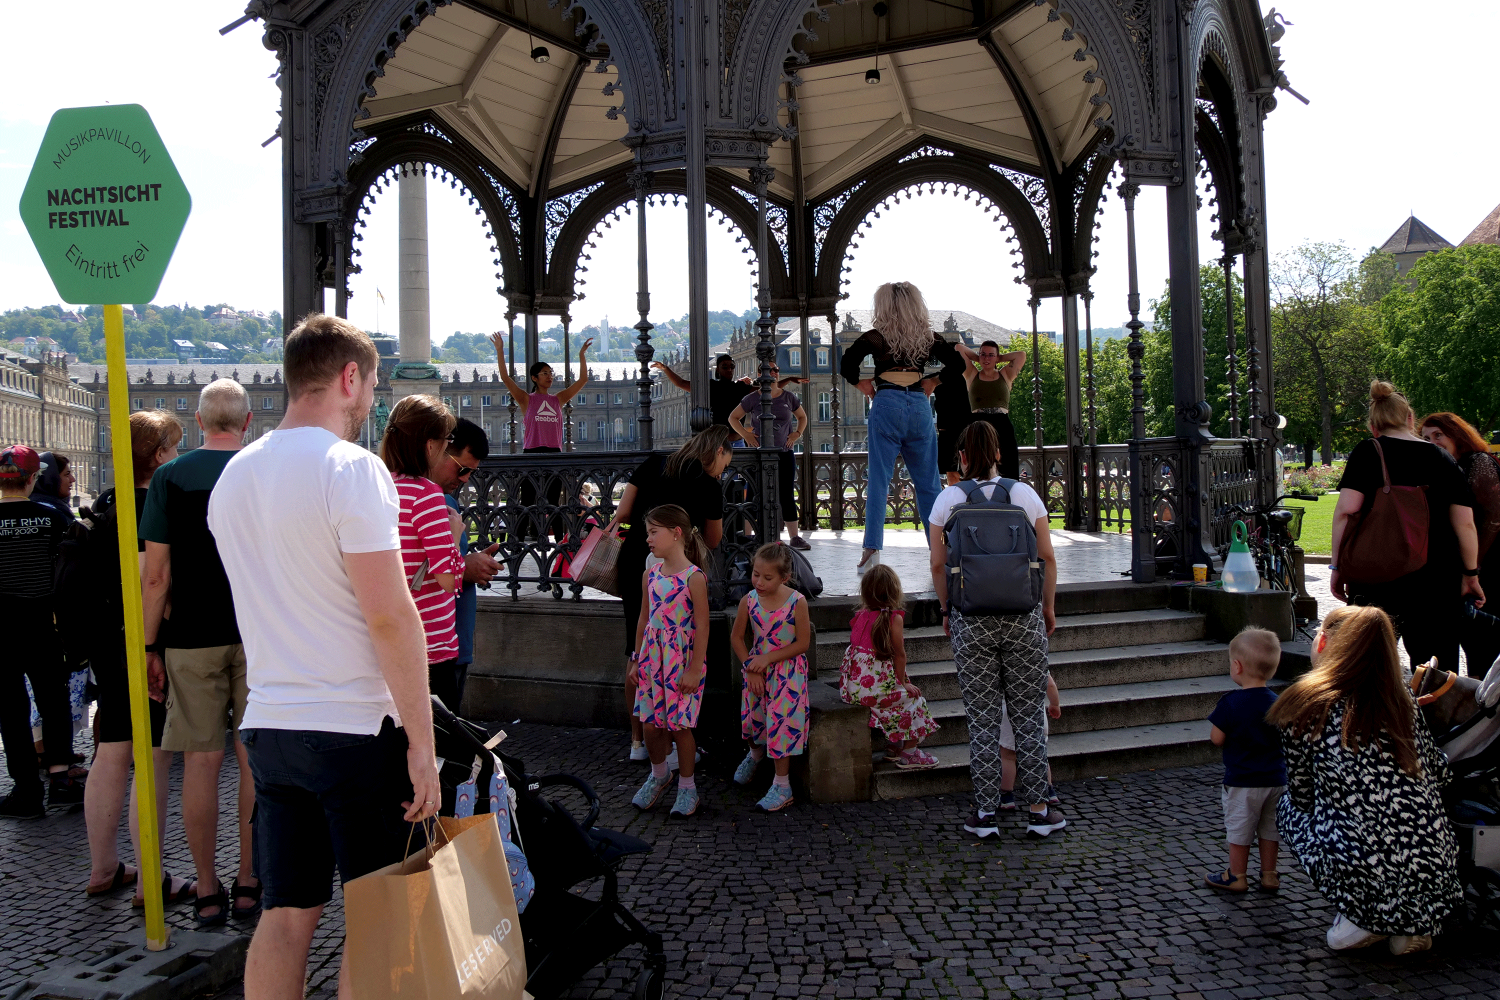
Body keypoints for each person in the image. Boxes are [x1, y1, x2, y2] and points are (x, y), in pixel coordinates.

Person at [207, 314, 440, 999]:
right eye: (370, 384)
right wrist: (422, 747)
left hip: (271, 727)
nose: (371, 400)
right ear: (347, 377)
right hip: (355, 731)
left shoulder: (233, 478)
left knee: (285, 912)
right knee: (380, 918)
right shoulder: (352, 468)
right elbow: (391, 619)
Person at [1267, 605, 1460, 955]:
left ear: (1323, 643)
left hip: (1360, 859)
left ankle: (1361, 915)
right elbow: (1439, 770)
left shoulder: (1306, 704)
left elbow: (1301, 791)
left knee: (1288, 809)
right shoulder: (1403, 701)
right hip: (1433, 860)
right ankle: (1407, 924)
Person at [139, 379, 258, 925]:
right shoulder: (262, 471)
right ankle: (250, 878)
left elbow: (156, 576)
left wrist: (146, 646)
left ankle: (207, 886)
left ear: (198, 424)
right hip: (260, 635)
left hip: (190, 636)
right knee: (255, 760)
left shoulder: (169, 478)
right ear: (248, 421)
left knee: (201, 763)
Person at [928, 419, 1064, 839]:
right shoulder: (1024, 494)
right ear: (1000, 454)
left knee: (983, 719)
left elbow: (938, 565)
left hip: (972, 619)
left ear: (962, 457)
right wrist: (1047, 607)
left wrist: (948, 610)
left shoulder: (947, 500)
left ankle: (985, 813)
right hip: (1022, 616)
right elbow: (1047, 558)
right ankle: (1041, 810)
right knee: (1027, 716)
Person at [83, 411, 192, 904]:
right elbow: (155, 583)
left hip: (105, 638)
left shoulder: (109, 502)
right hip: (141, 641)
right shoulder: (154, 502)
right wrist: (153, 645)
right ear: (157, 454)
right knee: (152, 760)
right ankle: (153, 879)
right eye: (174, 445)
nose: (179, 453)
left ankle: (104, 865)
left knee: (111, 751)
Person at [1330, 382, 1484, 672]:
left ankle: (1370, 718)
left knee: (1366, 664)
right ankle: (1432, 717)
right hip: (1436, 577)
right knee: (1435, 671)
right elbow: (1465, 523)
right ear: (1410, 418)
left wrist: (1338, 567)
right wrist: (1471, 573)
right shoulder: (1443, 459)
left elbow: (1345, 512)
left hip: (1375, 574)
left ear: (1374, 426)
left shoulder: (1367, 452)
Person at [606, 426, 732, 758]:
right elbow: (714, 540)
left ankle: (638, 741)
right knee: (675, 652)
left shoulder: (655, 462)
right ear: (719, 451)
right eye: (726, 460)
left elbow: (624, 513)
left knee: (638, 651)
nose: (724, 468)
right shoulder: (708, 486)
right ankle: (675, 743)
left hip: (637, 562)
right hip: (678, 572)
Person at [841, 281, 978, 573]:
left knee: (879, 481)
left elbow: (847, 363)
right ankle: (940, 550)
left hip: (887, 400)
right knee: (928, 484)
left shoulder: (877, 337)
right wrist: (933, 381)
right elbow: (956, 365)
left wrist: (862, 383)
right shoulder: (928, 337)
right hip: (918, 405)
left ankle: (871, 550)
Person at [0, 445, 84, 819]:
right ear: (34, 478)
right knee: (54, 701)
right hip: (44, 623)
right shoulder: (52, 519)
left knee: (11, 711)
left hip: (2, 627)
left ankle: (26, 791)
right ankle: (61, 780)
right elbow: (69, 575)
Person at [380, 394, 464, 715]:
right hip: (431, 641)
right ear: (429, 445)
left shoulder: (381, 485)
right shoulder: (427, 495)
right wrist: (455, 539)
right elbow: (447, 580)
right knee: (440, 746)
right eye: (446, 440)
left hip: (388, 638)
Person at [629, 504, 710, 817]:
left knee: (680, 726)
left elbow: (702, 626)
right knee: (650, 724)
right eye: (647, 532)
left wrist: (694, 669)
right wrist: (636, 660)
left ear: (676, 534)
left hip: (681, 662)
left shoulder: (694, 578)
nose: (648, 538)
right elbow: (643, 620)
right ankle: (659, 773)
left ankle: (688, 787)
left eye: (653, 532)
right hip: (652, 659)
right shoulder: (650, 574)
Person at [729, 544, 815, 811]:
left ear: (784, 578)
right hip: (757, 671)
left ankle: (781, 784)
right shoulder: (749, 600)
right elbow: (736, 637)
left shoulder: (796, 602)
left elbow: (802, 643)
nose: (759, 582)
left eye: (767, 578)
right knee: (754, 718)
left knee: (781, 724)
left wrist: (766, 660)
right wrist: (750, 667)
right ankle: (755, 754)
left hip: (787, 676)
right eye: (755, 575)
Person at [1203, 628, 1285, 894]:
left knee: (1240, 829)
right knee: (1270, 829)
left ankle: (1236, 875)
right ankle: (1269, 874)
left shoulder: (1230, 703)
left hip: (1242, 780)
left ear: (1237, 666)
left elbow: (1216, 738)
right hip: (1276, 779)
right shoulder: (1278, 702)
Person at [836, 563, 939, 769]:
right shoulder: (894, 619)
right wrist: (903, 683)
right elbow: (899, 656)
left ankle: (894, 746)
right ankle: (910, 753)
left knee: (892, 694)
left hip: (852, 691)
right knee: (913, 700)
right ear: (895, 592)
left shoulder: (860, 617)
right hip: (872, 692)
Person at [1419, 411, 1500, 673]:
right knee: (1471, 644)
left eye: (1438, 435)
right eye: (1426, 438)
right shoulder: (1444, 469)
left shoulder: (1477, 461)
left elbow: (1492, 519)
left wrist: (1472, 568)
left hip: (1487, 568)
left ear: (1458, 435)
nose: (1433, 441)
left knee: (1483, 648)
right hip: (1466, 570)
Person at [433, 418, 498, 711]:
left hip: (454, 640)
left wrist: (473, 566)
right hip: (441, 646)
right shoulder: (432, 501)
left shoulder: (442, 499)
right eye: (462, 469)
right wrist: (466, 568)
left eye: (471, 472)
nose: (465, 479)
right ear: (438, 449)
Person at [728, 362, 811, 550]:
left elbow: (802, 417)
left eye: (776, 370)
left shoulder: (788, 397)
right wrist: (746, 435)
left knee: (787, 495)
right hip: (759, 454)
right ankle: (748, 536)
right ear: (760, 374)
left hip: (784, 452)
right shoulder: (752, 398)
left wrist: (797, 434)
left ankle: (794, 537)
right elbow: (733, 417)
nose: (774, 373)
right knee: (753, 493)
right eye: (769, 370)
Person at [651, 354, 800, 429]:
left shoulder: (740, 387)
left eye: (732, 366)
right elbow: (681, 383)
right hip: (720, 440)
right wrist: (665, 369)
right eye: (725, 366)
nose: (729, 369)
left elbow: (768, 389)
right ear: (718, 369)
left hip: (738, 439)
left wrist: (788, 379)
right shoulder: (711, 386)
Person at [963, 340, 1026, 480]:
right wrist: (978, 359)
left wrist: (998, 358)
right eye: (983, 354)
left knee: (1008, 468)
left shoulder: (1005, 374)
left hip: (1001, 423)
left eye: (991, 355)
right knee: (977, 467)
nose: (986, 358)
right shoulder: (972, 374)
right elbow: (959, 348)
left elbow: (1021, 355)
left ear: (997, 357)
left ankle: (1007, 497)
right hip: (978, 423)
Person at [997, 675, 1061, 809]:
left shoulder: (1001, 661)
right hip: (1035, 710)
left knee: (1008, 756)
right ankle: (1049, 790)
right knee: (1039, 753)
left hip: (1008, 710)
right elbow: (1050, 685)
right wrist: (1055, 704)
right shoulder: (1036, 659)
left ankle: (1006, 796)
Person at [928, 352, 973, 488]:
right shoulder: (936, 378)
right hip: (947, 432)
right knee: (952, 474)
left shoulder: (964, 377)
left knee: (966, 473)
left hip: (962, 431)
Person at [33, 451, 77, 522]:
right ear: (50, 479)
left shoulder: (59, 505)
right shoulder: (47, 512)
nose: (73, 479)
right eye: (67, 474)